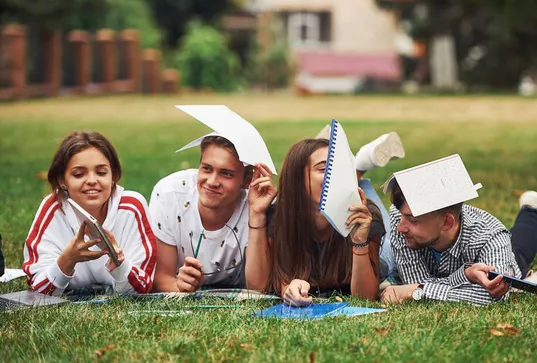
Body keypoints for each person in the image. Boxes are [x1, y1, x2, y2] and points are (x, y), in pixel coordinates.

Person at [381, 165, 537, 306]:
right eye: (403, 216)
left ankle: (532, 211)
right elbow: (416, 281)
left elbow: (493, 298)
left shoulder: (492, 238)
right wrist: (466, 275)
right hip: (466, 267)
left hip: (495, 250)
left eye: (413, 220)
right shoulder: (400, 217)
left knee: (519, 250)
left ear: (447, 223)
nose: (400, 228)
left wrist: (417, 291)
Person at [150, 106, 276, 293]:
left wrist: (257, 215)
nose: (212, 181)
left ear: (247, 180)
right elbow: (160, 278)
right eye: (207, 168)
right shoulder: (170, 194)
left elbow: (259, 288)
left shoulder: (260, 204)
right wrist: (179, 286)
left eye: (226, 174)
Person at [22, 131, 157, 296]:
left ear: (113, 176)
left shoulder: (132, 207)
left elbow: (142, 288)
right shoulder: (53, 208)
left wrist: (119, 263)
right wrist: (67, 260)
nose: (92, 180)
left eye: (101, 173)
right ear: (62, 180)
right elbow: (38, 293)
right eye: (79, 174)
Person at [269, 138, 386, 306]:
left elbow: (365, 299)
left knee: (389, 243)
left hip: (381, 255)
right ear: (297, 179)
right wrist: (291, 288)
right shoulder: (279, 217)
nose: (334, 177)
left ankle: (359, 168)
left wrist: (360, 242)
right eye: (324, 169)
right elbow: (282, 281)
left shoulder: (365, 216)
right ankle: (358, 168)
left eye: (340, 170)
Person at [315, 124, 405, 280]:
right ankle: (357, 167)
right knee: (392, 245)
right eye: (322, 168)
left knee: (385, 240)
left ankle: (355, 167)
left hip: (371, 253)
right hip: (376, 255)